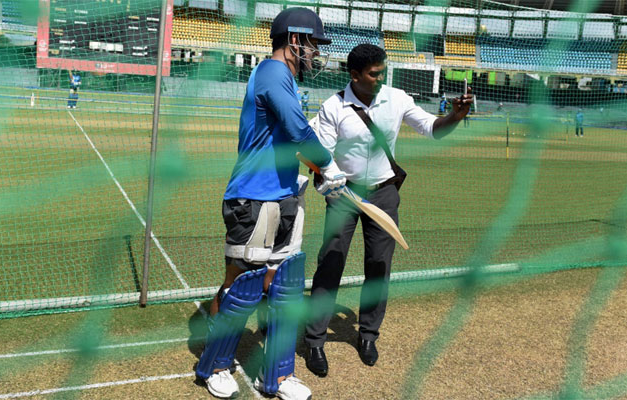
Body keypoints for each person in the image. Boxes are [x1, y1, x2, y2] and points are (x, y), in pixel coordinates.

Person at [195, 8, 346, 400]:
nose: (316, 54)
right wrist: (328, 166)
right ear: (295, 40)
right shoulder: (272, 73)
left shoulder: (286, 81)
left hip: (282, 197)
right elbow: (299, 129)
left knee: (282, 286)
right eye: (313, 44)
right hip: (252, 198)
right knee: (240, 285)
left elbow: (288, 142)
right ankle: (215, 364)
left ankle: (276, 377)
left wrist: (315, 171)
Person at [303, 44, 473, 377]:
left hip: (384, 195)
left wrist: (454, 116)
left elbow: (432, 128)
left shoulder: (397, 98)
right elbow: (318, 152)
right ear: (355, 75)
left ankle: (368, 335)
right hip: (344, 195)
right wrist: (328, 178)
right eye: (374, 74)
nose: (381, 79)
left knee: (379, 266)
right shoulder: (333, 107)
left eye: (383, 71)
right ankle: (314, 341)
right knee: (330, 263)